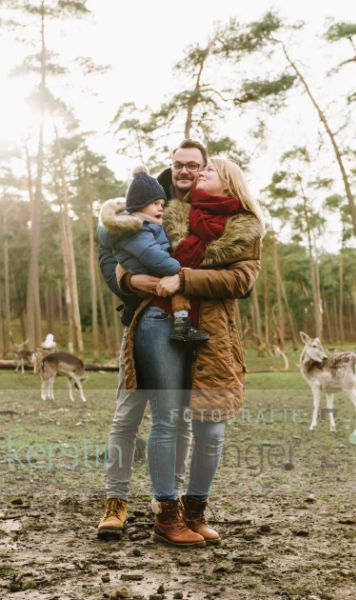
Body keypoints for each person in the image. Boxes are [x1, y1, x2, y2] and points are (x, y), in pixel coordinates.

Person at [117, 156, 263, 547]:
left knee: (211, 429)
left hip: (213, 334)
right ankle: (167, 515)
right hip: (159, 323)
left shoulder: (245, 227)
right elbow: (124, 252)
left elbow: (241, 278)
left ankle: (196, 512)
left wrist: (183, 277)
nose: (199, 175)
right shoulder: (169, 213)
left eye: (208, 171)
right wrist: (131, 278)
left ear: (229, 184)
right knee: (167, 420)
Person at [97, 139, 208, 539]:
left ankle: (169, 503)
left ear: (204, 168)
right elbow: (109, 251)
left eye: (194, 165)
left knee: (177, 420)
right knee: (127, 414)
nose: (186, 172)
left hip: (190, 324)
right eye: (180, 164)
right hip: (140, 320)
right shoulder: (146, 199)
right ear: (173, 167)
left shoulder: (213, 205)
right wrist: (127, 280)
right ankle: (116, 501)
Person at [98, 167, 209, 344]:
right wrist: (177, 269)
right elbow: (151, 254)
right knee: (179, 290)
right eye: (155, 204)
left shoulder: (143, 225)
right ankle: (182, 326)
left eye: (162, 205)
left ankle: (182, 324)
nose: (161, 209)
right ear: (139, 205)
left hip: (155, 272)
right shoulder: (136, 229)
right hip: (152, 277)